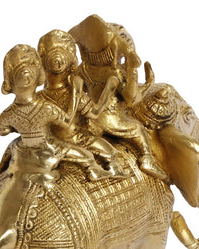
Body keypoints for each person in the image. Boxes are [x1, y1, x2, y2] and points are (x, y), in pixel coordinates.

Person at [69, 14, 168, 180]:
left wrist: (148, 84)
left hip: (89, 118)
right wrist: (132, 70)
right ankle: (147, 159)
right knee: (138, 129)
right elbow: (131, 99)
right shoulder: (115, 73)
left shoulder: (84, 69)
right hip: (111, 119)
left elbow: (80, 88)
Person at [0, 44, 113, 181]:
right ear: (39, 77)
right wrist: (77, 93)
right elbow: (67, 122)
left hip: (25, 149)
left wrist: (19, 127)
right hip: (48, 148)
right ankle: (94, 172)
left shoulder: (9, 113)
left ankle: (2, 171)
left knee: (13, 146)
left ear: (9, 82)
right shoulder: (46, 108)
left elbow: (0, 130)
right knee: (86, 156)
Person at [37, 29, 127, 178]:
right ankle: (108, 171)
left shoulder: (39, 97)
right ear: (72, 64)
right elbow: (95, 113)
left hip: (54, 141)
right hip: (73, 139)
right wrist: (109, 89)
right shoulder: (73, 94)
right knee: (109, 152)